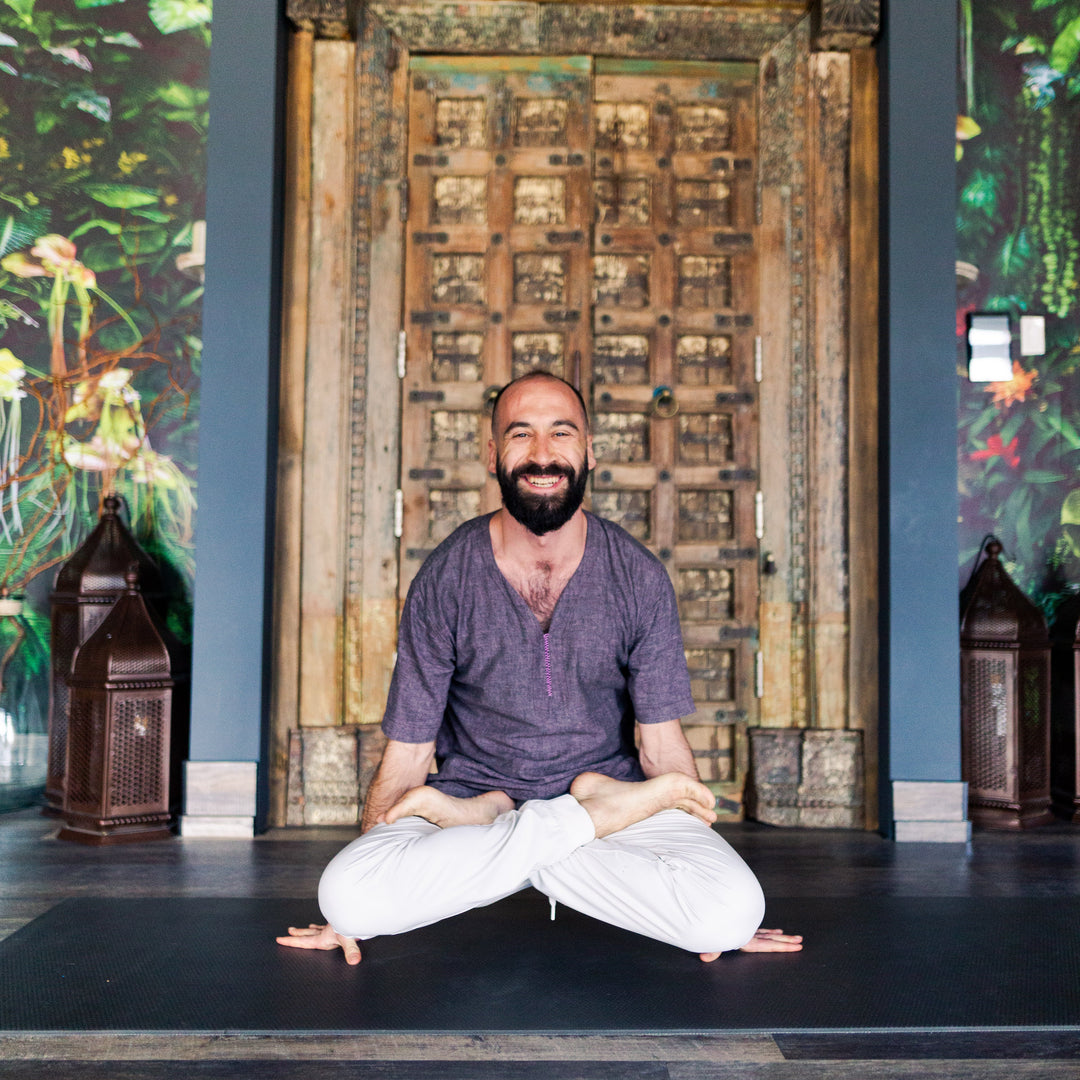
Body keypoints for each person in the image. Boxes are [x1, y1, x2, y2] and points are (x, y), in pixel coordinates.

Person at [278, 371, 802, 965]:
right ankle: (566, 814)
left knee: (729, 912)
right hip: (473, 800)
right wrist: (354, 906)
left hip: (569, 809)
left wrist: (694, 880)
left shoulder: (638, 577)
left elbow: (661, 749)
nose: (543, 454)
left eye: (561, 433)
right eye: (521, 434)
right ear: (493, 453)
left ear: (590, 451)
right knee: (349, 898)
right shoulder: (446, 578)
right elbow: (408, 753)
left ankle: (537, 822)